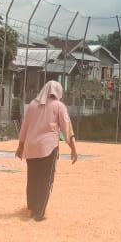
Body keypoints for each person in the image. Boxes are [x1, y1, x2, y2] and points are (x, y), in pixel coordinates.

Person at [15, 80, 78, 221]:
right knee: (45, 180)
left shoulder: (32, 105)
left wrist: (20, 146)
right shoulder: (59, 106)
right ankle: (39, 213)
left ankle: (32, 209)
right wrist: (73, 148)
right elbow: (66, 129)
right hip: (48, 148)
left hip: (31, 148)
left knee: (33, 178)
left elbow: (24, 127)